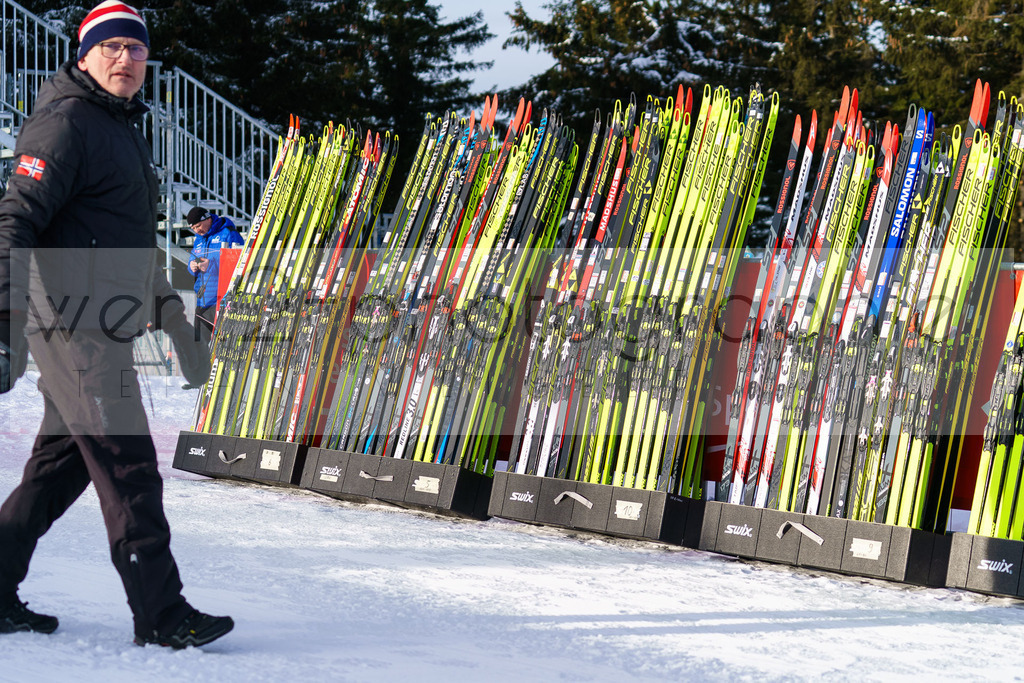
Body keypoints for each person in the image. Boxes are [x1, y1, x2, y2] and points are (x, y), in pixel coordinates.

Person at [0, 2, 233, 649]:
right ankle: (162, 613)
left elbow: (127, 243)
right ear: (85, 54)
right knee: (129, 467)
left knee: (59, 468)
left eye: (136, 48)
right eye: (112, 47)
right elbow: (14, 224)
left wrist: (175, 321)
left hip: (100, 326)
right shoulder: (66, 123)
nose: (126, 59)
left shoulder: (120, 125)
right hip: (73, 329)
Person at [186, 206, 243, 345]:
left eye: (198, 226)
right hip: (203, 300)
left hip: (223, 299)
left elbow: (240, 261)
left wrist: (211, 265)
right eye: (193, 228)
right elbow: (191, 259)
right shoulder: (198, 239)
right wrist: (192, 266)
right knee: (199, 345)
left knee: (223, 345)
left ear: (207, 218)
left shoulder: (228, 233)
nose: (197, 230)